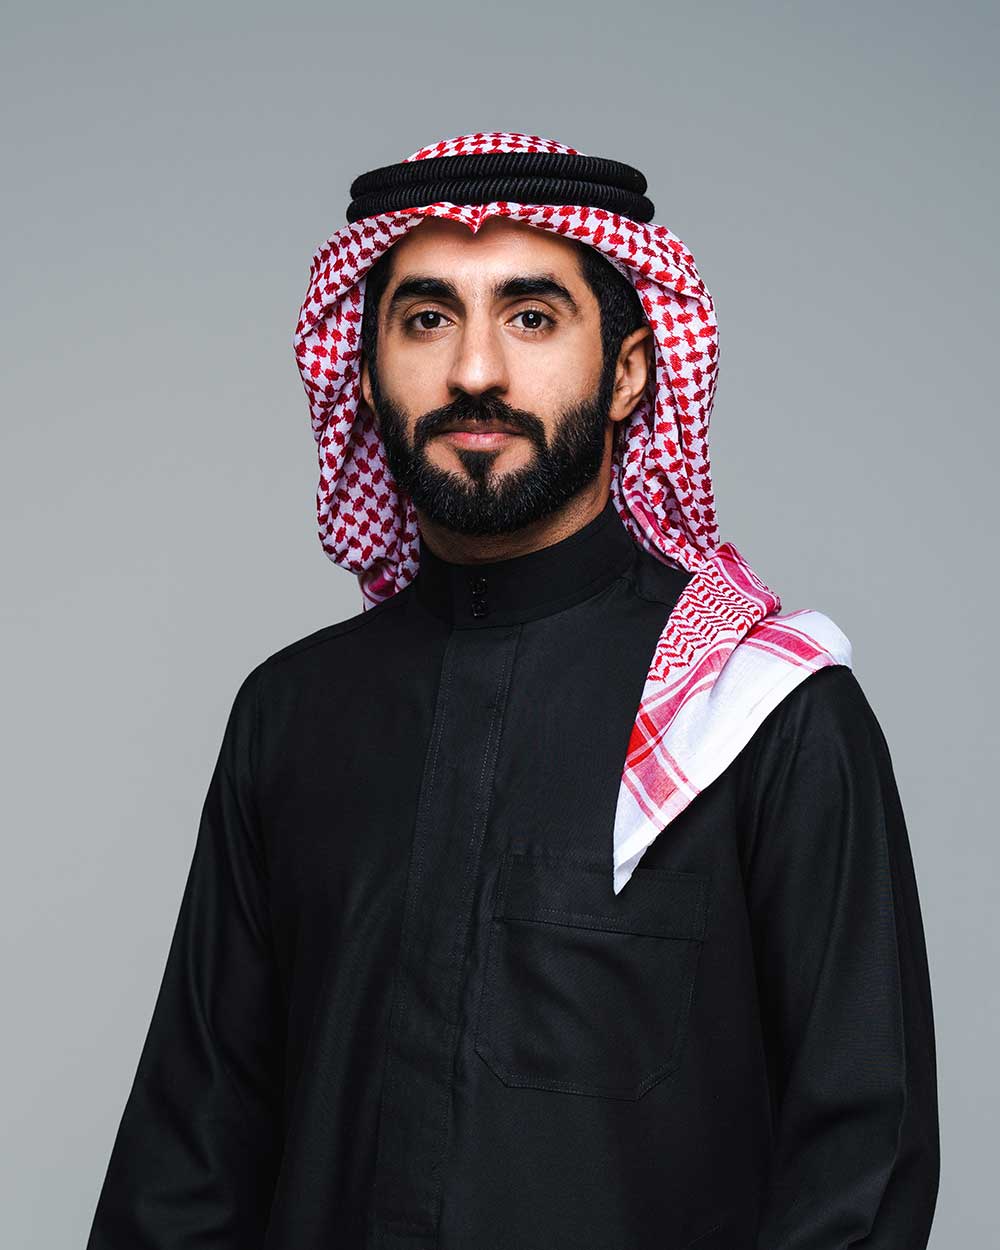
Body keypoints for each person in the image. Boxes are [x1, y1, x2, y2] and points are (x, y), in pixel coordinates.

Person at [86, 131, 940, 1250]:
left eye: (532, 317)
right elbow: (186, 1164)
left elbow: (858, 1171)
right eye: (426, 319)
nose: (475, 371)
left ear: (628, 372)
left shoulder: (761, 712)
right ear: (365, 369)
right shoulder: (289, 714)